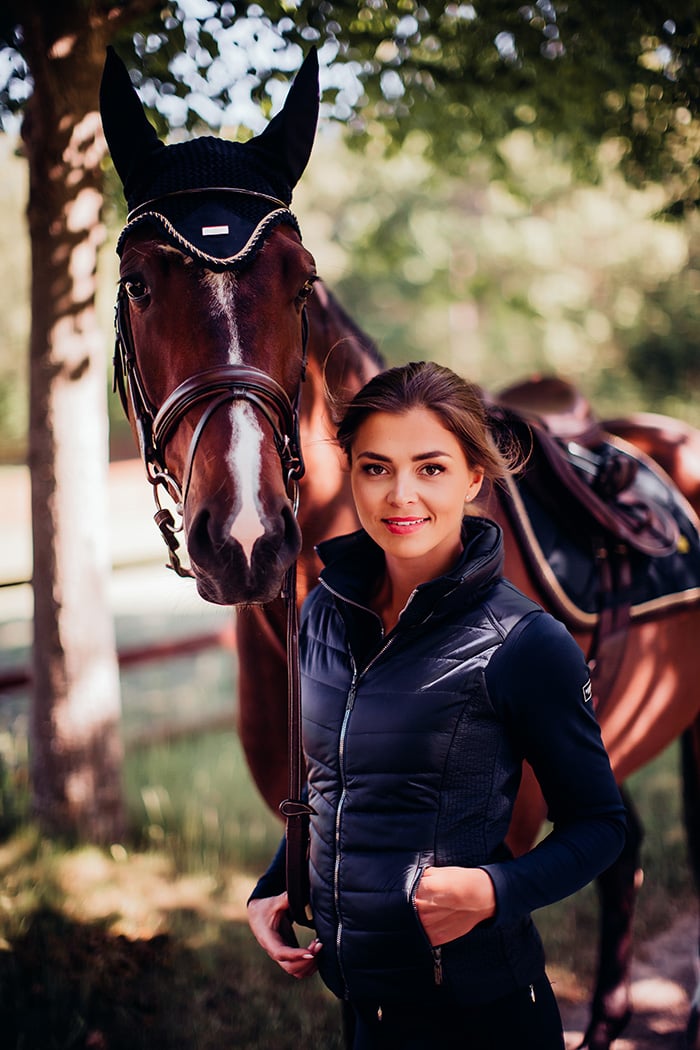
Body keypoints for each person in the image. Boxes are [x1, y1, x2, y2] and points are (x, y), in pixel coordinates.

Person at [247, 361, 626, 1049]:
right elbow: (341, 782)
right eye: (376, 467)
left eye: (430, 468)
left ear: (474, 478)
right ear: (351, 474)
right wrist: (276, 882)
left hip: (484, 1016)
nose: (400, 495)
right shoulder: (324, 616)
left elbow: (600, 824)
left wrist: (494, 891)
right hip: (364, 1009)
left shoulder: (526, 643)